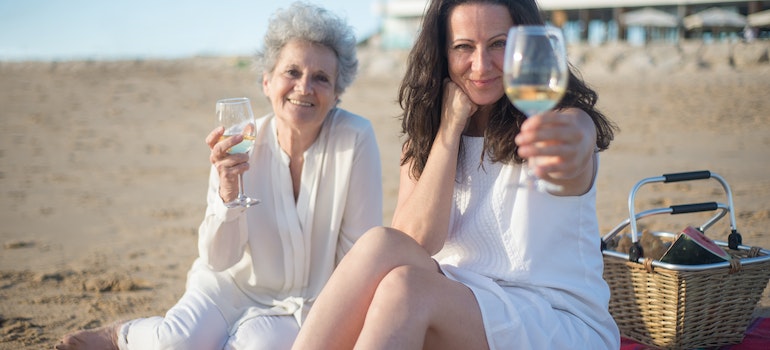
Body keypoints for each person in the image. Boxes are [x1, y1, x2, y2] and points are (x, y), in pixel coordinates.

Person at [291, 0, 619, 349]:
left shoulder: (561, 120)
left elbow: (574, 146)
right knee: (381, 246)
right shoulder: (425, 142)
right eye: (464, 47)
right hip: (463, 302)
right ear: (443, 53)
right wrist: (449, 129)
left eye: (498, 44)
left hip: (555, 318)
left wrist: (570, 149)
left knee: (406, 290)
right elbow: (414, 242)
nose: (481, 65)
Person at [55, 2, 382, 349]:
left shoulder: (356, 138)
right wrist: (228, 191)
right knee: (175, 343)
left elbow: (356, 258)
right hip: (228, 289)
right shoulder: (239, 144)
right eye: (292, 72)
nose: (304, 87)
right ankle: (119, 335)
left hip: (309, 304)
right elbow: (218, 259)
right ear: (267, 82)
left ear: (336, 94)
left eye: (321, 78)